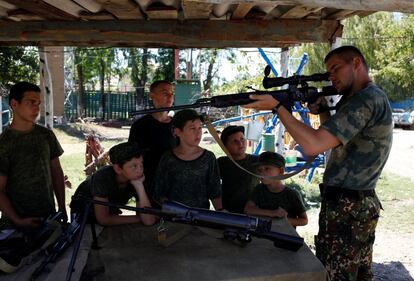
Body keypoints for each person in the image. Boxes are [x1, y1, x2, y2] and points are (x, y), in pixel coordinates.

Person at [245, 46, 393, 280]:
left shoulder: (365, 99)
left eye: (335, 68)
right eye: (328, 71)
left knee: (335, 275)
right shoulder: (358, 97)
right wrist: (323, 111)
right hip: (353, 204)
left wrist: (277, 107)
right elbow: (334, 141)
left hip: (348, 206)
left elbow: (313, 145)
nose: (330, 76)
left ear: (356, 63)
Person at [0, 81, 67, 231]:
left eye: (38, 103)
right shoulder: (4, 143)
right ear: (14, 104)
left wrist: (62, 207)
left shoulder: (46, 135)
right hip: (14, 225)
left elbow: (56, 171)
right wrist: (18, 220)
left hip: (48, 218)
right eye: (31, 102)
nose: (37, 108)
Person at [70, 142, 156, 226]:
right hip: (83, 217)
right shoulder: (102, 177)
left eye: (141, 164)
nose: (140, 170)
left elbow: (148, 221)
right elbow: (103, 219)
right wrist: (139, 218)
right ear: (118, 168)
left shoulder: (137, 178)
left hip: (110, 213)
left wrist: (139, 187)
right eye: (134, 166)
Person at [152, 109, 223, 210]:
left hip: (201, 219)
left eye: (200, 128)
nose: (198, 133)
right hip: (174, 220)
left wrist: (220, 213)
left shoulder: (208, 158)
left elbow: (215, 192)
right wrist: (174, 210)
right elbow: (158, 193)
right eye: (192, 129)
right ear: (177, 132)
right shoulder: (168, 158)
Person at [128, 80, 176, 205]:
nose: (170, 97)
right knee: (149, 221)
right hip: (148, 182)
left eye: (172, 93)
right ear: (152, 96)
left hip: (175, 182)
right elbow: (132, 157)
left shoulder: (177, 125)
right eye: (165, 93)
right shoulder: (140, 126)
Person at [244, 151, 308, 227]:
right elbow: (247, 209)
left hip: (284, 236)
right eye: (260, 170)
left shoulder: (292, 194)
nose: (261, 173)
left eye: (267, 168)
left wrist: (283, 221)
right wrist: (272, 213)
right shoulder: (259, 189)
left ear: (281, 171)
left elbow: (304, 220)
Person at [217, 125, 259, 213]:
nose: (240, 144)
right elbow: (213, 188)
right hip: (229, 213)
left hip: (253, 212)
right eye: (234, 141)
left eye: (242, 139)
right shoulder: (221, 163)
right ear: (225, 147)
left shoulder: (257, 161)